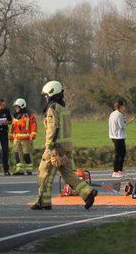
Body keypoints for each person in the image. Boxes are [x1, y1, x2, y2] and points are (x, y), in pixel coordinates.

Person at [31, 80, 97, 210]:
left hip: (55, 148)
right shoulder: (63, 108)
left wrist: (49, 146)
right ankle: (87, 193)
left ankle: (43, 202)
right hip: (66, 148)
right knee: (68, 174)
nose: (46, 98)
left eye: (46, 95)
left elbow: (52, 129)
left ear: (51, 93)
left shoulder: (52, 108)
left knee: (44, 173)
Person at [9, 98, 38, 175]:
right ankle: (20, 170)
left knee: (26, 154)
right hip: (17, 139)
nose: (16, 109)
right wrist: (11, 136)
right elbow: (13, 127)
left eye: (17, 107)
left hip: (26, 139)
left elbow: (33, 125)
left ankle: (29, 169)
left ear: (22, 106)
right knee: (17, 154)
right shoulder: (15, 116)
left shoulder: (29, 115)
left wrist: (33, 134)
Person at [108, 99, 128, 177]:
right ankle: (116, 171)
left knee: (119, 154)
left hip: (113, 136)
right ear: (120, 106)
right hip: (119, 136)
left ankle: (119, 170)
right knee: (120, 154)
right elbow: (121, 126)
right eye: (123, 105)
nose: (124, 107)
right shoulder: (119, 114)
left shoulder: (112, 113)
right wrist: (126, 122)